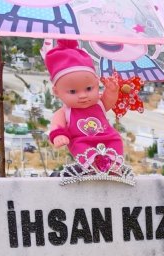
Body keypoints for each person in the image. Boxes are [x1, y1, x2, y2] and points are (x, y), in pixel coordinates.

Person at [43, 39, 123, 170]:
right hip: (82, 141)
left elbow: (109, 101)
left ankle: (114, 165)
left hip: (108, 137)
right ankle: (93, 167)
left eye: (89, 89)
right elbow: (57, 125)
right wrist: (59, 135)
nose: (83, 95)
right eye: (73, 91)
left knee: (116, 140)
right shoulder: (64, 112)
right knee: (80, 148)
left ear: (97, 83)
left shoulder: (99, 103)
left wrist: (112, 91)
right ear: (56, 92)